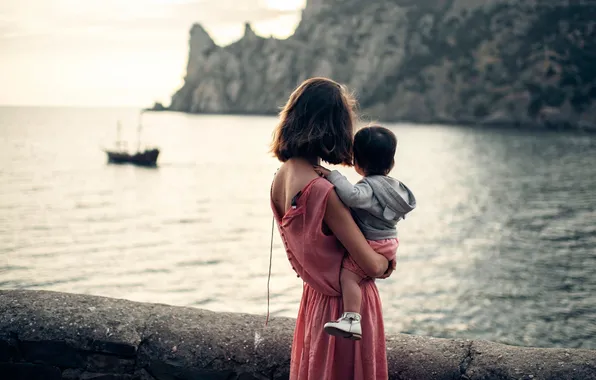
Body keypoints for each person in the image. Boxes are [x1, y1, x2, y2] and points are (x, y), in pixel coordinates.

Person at [270, 77, 395, 380]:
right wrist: (388, 261)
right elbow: (372, 265)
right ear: (335, 126)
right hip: (346, 311)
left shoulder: (279, 179)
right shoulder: (324, 191)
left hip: (313, 304)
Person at [313, 126, 416, 341]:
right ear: (392, 162)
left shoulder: (370, 188)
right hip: (389, 243)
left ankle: (351, 319)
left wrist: (334, 176)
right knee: (360, 275)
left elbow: (352, 196)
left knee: (348, 277)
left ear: (357, 164)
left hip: (374, 243)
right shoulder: (395, 188)